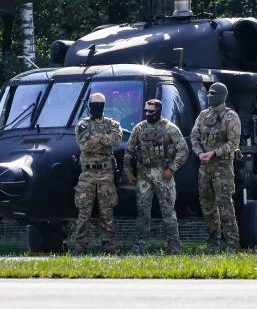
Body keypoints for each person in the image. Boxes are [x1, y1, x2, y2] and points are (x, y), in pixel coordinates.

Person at [123, 99, 189, 254]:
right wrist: (128, 173)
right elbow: (129, 152)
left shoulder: (169, 128)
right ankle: (139, 246)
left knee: (168, 211)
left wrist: (172, 169)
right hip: (144, 175)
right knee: (142, 211)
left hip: (163, 174)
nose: (147, 113)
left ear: (158, 110)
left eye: (151, 111)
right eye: (146, 110)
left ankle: (174, 247)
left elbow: (183, 150)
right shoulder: (139, 128)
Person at [190, 82, 241, 253]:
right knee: (207, 205)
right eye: (208, 93)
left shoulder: (230, 116)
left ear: (220, 95)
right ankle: (213, 242)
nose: (209, 96)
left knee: (225, 205)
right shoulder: (203, 115)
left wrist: (214, 153)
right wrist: (199, 153)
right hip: (205, 167)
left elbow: (234, 142)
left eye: (212, 93)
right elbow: (194, 136)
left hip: (223, 167)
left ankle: (232, 244)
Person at [72, 92, 123, 255]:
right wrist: (103, 138)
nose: (97, 107)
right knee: (83, 212)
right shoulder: (82, 124)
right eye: (94, 104)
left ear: (104, 106)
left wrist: (95, 137)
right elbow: (84, 145)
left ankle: (108, 245)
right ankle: (80, 246)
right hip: (87, 176)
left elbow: (116, 140)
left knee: (107, 211)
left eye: (100, 105)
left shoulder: (113, 123)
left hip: (106, 175)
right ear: (90, 105)